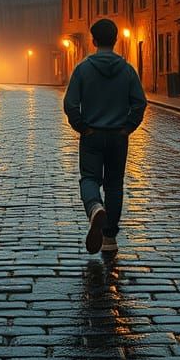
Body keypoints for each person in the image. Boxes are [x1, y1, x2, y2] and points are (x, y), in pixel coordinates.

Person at [63, 18, 147, 255]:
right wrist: (127, 127)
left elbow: (70, 104)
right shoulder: (128, 70)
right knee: (114, 183)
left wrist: (82, 127)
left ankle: (94, 208)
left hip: (92, 135)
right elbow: (139, 103)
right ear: (116, 39)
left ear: (93, 40)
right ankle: (109, 237)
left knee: (89, 178)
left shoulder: (83, 69)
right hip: (118, 136)